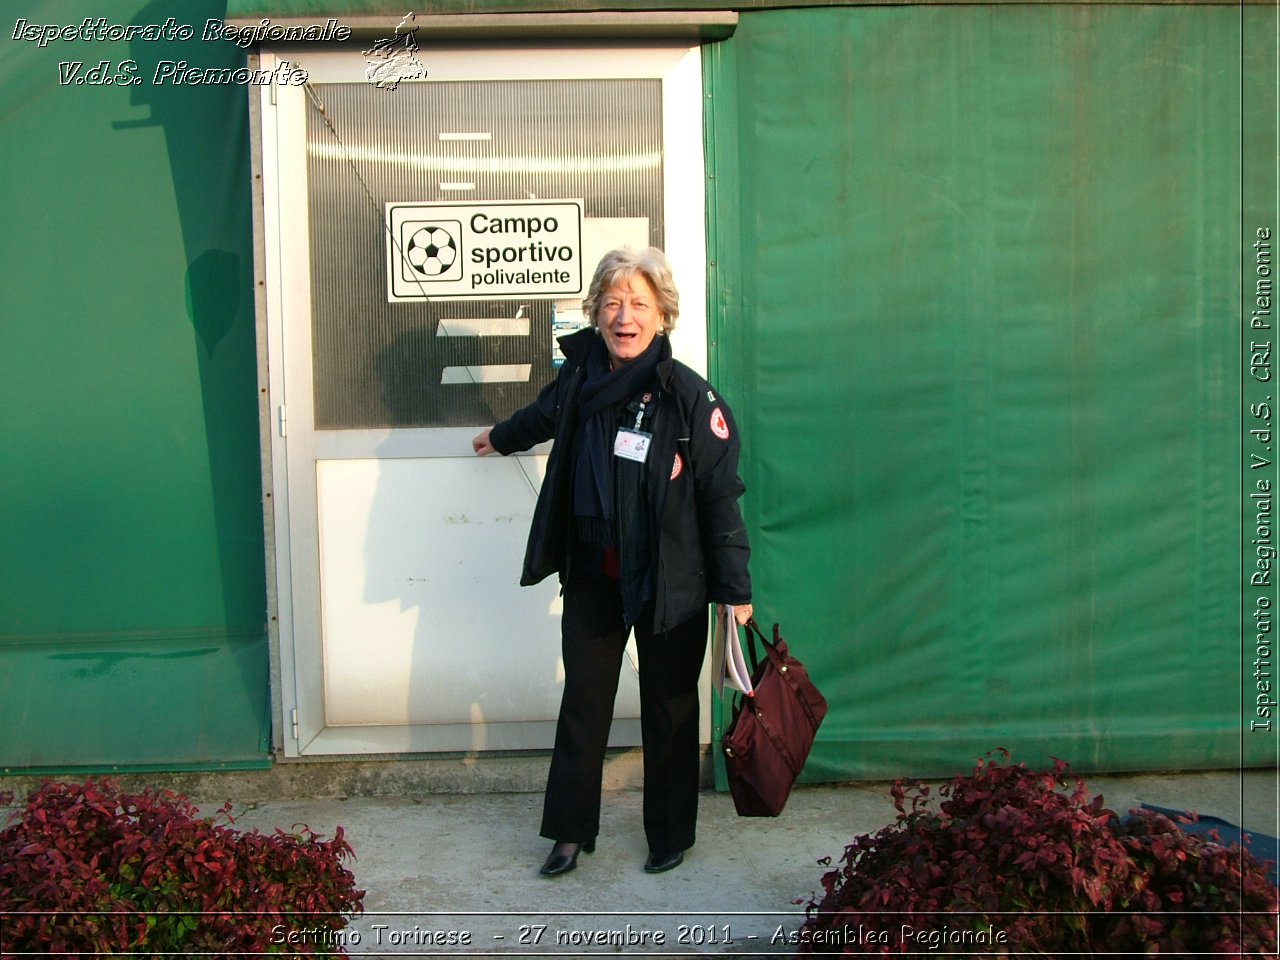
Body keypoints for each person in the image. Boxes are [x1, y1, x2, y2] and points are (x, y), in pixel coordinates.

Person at [473, 246, 753, 876]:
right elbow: (543, 417)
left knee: (671, 708)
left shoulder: (690, 400)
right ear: (596, 310)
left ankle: (669, 833)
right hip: (596, 578)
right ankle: (571, 833)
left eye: (640, 304)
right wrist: (499, 437)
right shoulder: (578, 378)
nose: (625, 315)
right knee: (585, 705)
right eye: (613, 301)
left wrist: (736, 590)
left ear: (662, 316)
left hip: (670, 583)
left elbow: (720, 500)